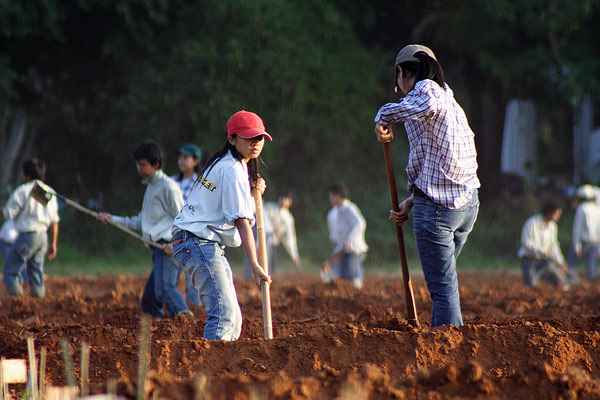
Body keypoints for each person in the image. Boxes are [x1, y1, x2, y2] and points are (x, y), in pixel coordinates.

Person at [374, 44, 480, 328]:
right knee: (445, 284)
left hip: (439, 211)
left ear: (401, 72)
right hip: (467, 203)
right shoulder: (450, 99)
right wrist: (412, 201)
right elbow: (433, 157)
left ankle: (448, 358)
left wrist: (383, 116)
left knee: (444, 291)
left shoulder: (428, 92)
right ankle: (443, 348)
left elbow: (425, 105)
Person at [170, 110, 272, 341]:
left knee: (234, 318)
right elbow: (241, 221)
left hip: (198, 242)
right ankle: (207, 373)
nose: (256, 143)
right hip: (197, 242)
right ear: (232, 139)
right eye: (249, 137)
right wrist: (254, 265)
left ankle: (223, 372)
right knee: (224, 316)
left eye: (260, 137)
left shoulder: (226, 164)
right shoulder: (231, 169)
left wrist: (251, 189)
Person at [97, 140, 191, 319]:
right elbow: (142, 222)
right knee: (149, 301)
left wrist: (176, 244)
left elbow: (183, 218)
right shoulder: (151, 187)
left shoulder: (168, 187)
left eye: (142, 165)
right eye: (137, 164)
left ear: (155, 164)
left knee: (165, 290)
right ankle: (162, 330)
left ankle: (185, 318)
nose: (138, 168)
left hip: (168, 248)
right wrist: (112, 219)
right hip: (158, 250)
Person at [1, 158, 59, 297]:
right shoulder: (49, 192)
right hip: (43, 238)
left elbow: (8, 214)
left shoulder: (22, 191)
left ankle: (17, 302)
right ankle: (38, 303)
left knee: (11, 269)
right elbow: (54, 221)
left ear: (26, 174)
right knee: (36, 272)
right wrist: (53, 243)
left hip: (28, 236)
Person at [172, 143, 203, 307]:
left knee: (193, 280)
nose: (181, 161)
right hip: (174, 234)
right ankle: (176, 310)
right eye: (180, 157)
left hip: (192, 235)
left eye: (186, 158)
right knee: (171, 278)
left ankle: (194, 311)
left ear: (196, 161)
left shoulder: (201, 183)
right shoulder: (171, 182)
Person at [244, 189, 301, 278]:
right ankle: (248, 278)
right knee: (253, 257)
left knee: (269, 264)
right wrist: (272, 228)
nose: (283, 201)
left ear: (290, 202)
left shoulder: (288, 219)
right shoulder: (269, 208)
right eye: (282, 198)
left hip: (272, 243)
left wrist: (294, 255)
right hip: (260, 237)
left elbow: (290, 238)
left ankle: (266, 280)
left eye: (286, 199)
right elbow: (263, 221)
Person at [518, 200, 571, 290]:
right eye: (557, 213)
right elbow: (526, 242)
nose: (558, 216)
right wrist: (542, 250)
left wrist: (561, 262)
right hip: (529, 261)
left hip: (544, 261)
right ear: (549, 212)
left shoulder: (553, 227)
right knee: (531, 288)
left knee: (562, 282)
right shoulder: (531, 223)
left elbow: (554, 246)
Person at [324, 182, 368, 289]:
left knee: (349, 275)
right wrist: (336, 251)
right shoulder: (337, 212)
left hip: (355, 249)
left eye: (331, 196)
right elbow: (340, 236)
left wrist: (350, 240)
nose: (330, 199)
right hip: (346, 249)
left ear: (338, 195)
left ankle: (356, 293)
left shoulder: (350, 209)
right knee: (344, 275)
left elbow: (360, 224)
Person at [567, 185, 600, 280]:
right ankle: (592, 287)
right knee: (591, 264)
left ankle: (571, 280)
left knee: (571, 262)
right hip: (595, 242)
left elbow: (577, 228)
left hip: (583, 241)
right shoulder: (597, 209)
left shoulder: (582, 209)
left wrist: (576, 245)